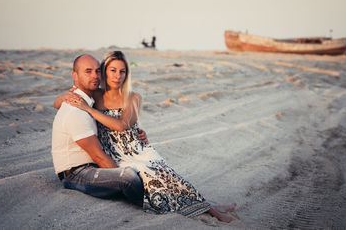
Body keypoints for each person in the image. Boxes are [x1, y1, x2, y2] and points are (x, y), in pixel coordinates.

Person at [54, 51, 236, 222]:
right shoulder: (95, 94)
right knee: (151, 177)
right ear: (104, 73)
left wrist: (88, 110)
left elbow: (121, 125)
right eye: (113, 71)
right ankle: (203, 208)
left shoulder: (133, 97)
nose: (117, 76)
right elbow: (60, 101)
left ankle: (210, 208)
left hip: (134, 148)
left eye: (122, 71)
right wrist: (66, 98)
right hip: (116, 152)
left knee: (167, 173)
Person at [51, 54, 145, 206]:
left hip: (93, 166)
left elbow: (117, 124)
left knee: (141, 168)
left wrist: (137, 133)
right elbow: (98, 156)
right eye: (88, 71)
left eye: (97, 71)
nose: (94, 76)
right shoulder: (76, 110)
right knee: (128, 177)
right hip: (76, 174)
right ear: (75, 75)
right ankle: (149, 203)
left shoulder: (89, 101)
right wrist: (118, 173)